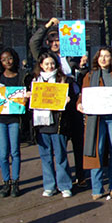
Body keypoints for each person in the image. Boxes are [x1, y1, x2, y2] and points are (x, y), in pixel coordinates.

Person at [30, 17, 88, 187]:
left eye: (58, 40)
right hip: (53, 106)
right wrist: (48, 26)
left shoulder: (72, 54)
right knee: (56, 144)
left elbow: (81, 74)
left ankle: (81, 174)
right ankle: (56, 181)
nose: (56, 43)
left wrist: (82, 65)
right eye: (52, 40)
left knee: (78, 140)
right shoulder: (44, 57)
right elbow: (33, 42)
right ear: (48, 42)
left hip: (70, 101)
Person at [78, 47, 112, 200]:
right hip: (96, 118)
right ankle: (97, 187)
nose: (103, 59)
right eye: (101, 56)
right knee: (97, 149)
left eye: (107, 56)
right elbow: (83, 94)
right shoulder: (89, 76)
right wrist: (79, 104)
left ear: (111, 58)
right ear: (97, 58)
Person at [30, 52, 76, 198]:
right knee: (45, 156)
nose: (49, 67)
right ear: (41, 65)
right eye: (46, 64)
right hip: (41, 124)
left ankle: (64, 185)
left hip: (58, 123)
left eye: (52, 63)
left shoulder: (64, 80)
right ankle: (49, 185)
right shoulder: (35, 81)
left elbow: (75, 98)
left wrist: (69, 100)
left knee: (61, 155)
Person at [0, 48, 29, 198]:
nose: (7, 62)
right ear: (0, 61)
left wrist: (26, 98)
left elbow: (28, 93)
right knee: (3, 153)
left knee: (15, 152)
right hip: (0, 120)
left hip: (14, 119)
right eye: (4, 59)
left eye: (10, 58)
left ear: (15, 59)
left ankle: (15, 181)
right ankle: (6, 182)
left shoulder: (22, 76)